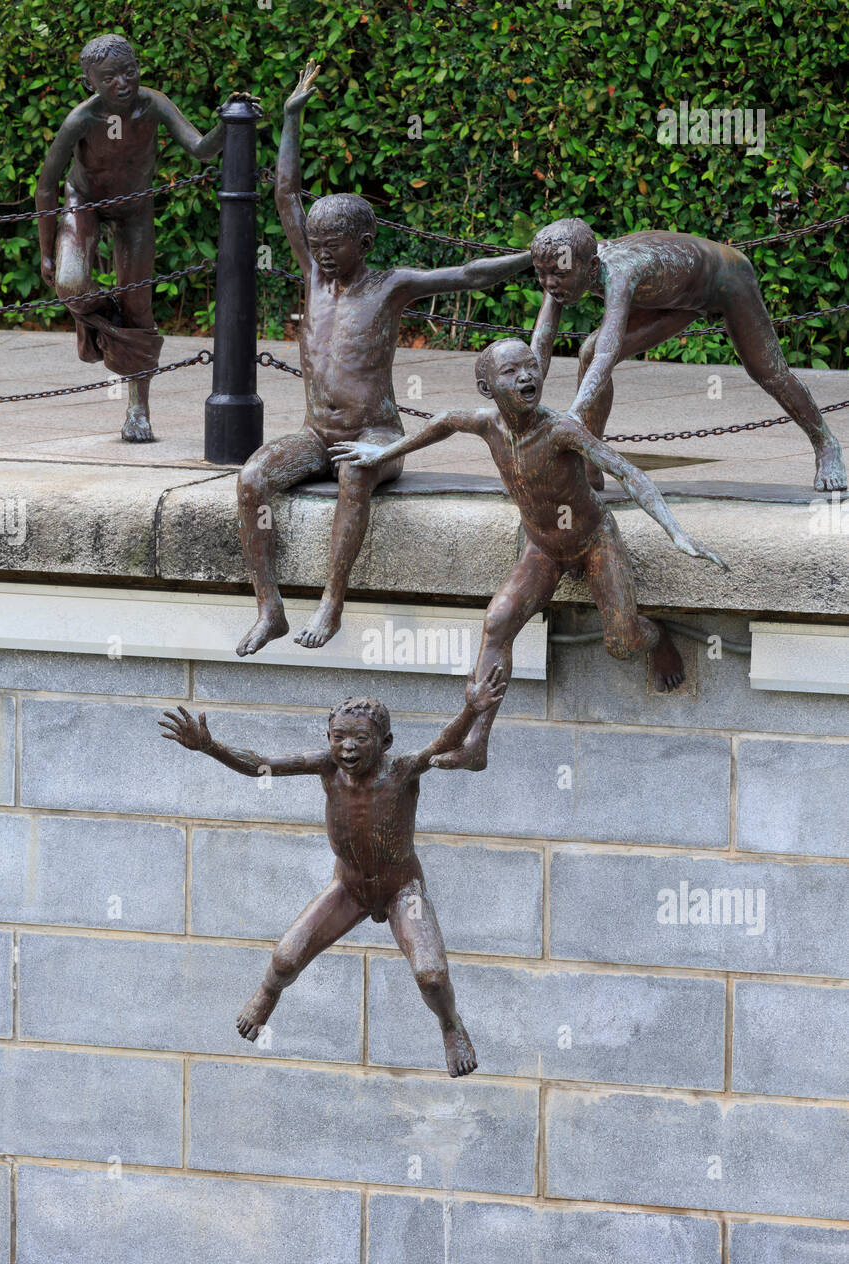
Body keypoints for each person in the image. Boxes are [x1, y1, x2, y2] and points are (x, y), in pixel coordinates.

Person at [329, 316, 727, 769]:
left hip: (593, 539)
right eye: (510, 372)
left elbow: (628, 472)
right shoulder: (485, 424)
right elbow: (441, 422)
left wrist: (676, 531)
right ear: (487, 388)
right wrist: (382, 452)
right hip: (542, 546)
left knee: (622, 643)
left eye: (531, 367)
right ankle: (477, 742)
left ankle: (655, 639)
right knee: (497, 621)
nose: (525, 377)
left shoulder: (562, 429)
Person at [236, 59, 532, 656]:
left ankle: (332, 601)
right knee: (250, 479)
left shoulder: (389, 287)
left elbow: (468, 274)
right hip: (317, 433)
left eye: (331, 246)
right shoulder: (314, 279)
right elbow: (287, 194)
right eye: (313, 246)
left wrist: (530, 255)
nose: (317, 254)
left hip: (375, 435)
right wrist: (292, 116)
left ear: (363, 245)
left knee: (355, 473)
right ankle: (270, 607)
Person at [158, 665, 508, 1077]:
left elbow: (441, 744)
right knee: (286, 957)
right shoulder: (326, 767)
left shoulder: (400, 770)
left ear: (385, 742)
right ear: (328, 739)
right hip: (350, 888)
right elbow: (261, 766)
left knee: (431, 974)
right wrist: (211, 746)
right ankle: (269, 992)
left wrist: (469, 712)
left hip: (401, 890)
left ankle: (450, 1023)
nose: (348, 749)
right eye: (339, 738)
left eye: (361, 739)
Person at [531, 217, 845, 493]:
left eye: (556, 276)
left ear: (592, 267)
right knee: (586, 352)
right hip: (672, 296)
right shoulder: (562, 262)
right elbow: (541, 346)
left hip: (724, 279)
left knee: (768, 371)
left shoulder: (618, 270)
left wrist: (573, 416)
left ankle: (826, 444)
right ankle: (589, 464)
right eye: (542, 275)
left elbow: (607, 353)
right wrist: (519, 400)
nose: (549, 284)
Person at [36, 34, 223, 441]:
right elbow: (46, 185)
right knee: (70, 282)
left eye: (130, 71)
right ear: (90, 83)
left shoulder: (153, 104)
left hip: (135, 208)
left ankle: (138, 411)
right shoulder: (81, 119)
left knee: (140, 307)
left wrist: (230, 124)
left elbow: (201, 150)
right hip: (83, 201)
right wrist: (45, 252)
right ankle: (109, 319)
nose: (123, 83)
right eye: (109, 78)